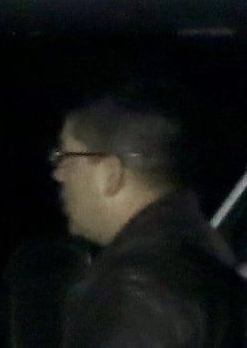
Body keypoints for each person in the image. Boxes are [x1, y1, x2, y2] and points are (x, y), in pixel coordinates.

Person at [47, 94, 233, 348]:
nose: (58, 174)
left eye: (65, 156)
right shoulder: (202, 248)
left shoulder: (135, 290)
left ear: (110, 174)